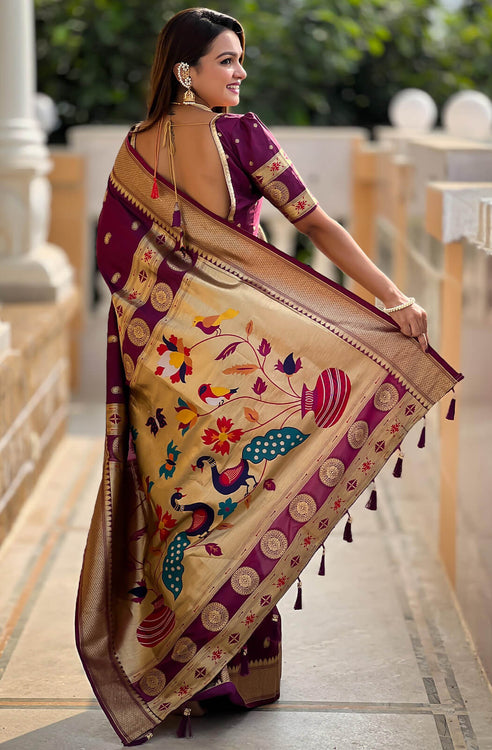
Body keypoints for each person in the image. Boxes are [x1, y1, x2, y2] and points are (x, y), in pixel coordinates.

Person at [76, 8, 462, 747]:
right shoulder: (240, 135)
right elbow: (314, 224)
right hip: (237, 359)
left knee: (181, 506)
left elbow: (115, 265)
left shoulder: (133, 150)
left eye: (240, 61)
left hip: (166, 367)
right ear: (186, 70)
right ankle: (222, 673)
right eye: (227, 61)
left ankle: (177, 671)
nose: (240, 73)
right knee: (241, 497)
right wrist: (392, 299)